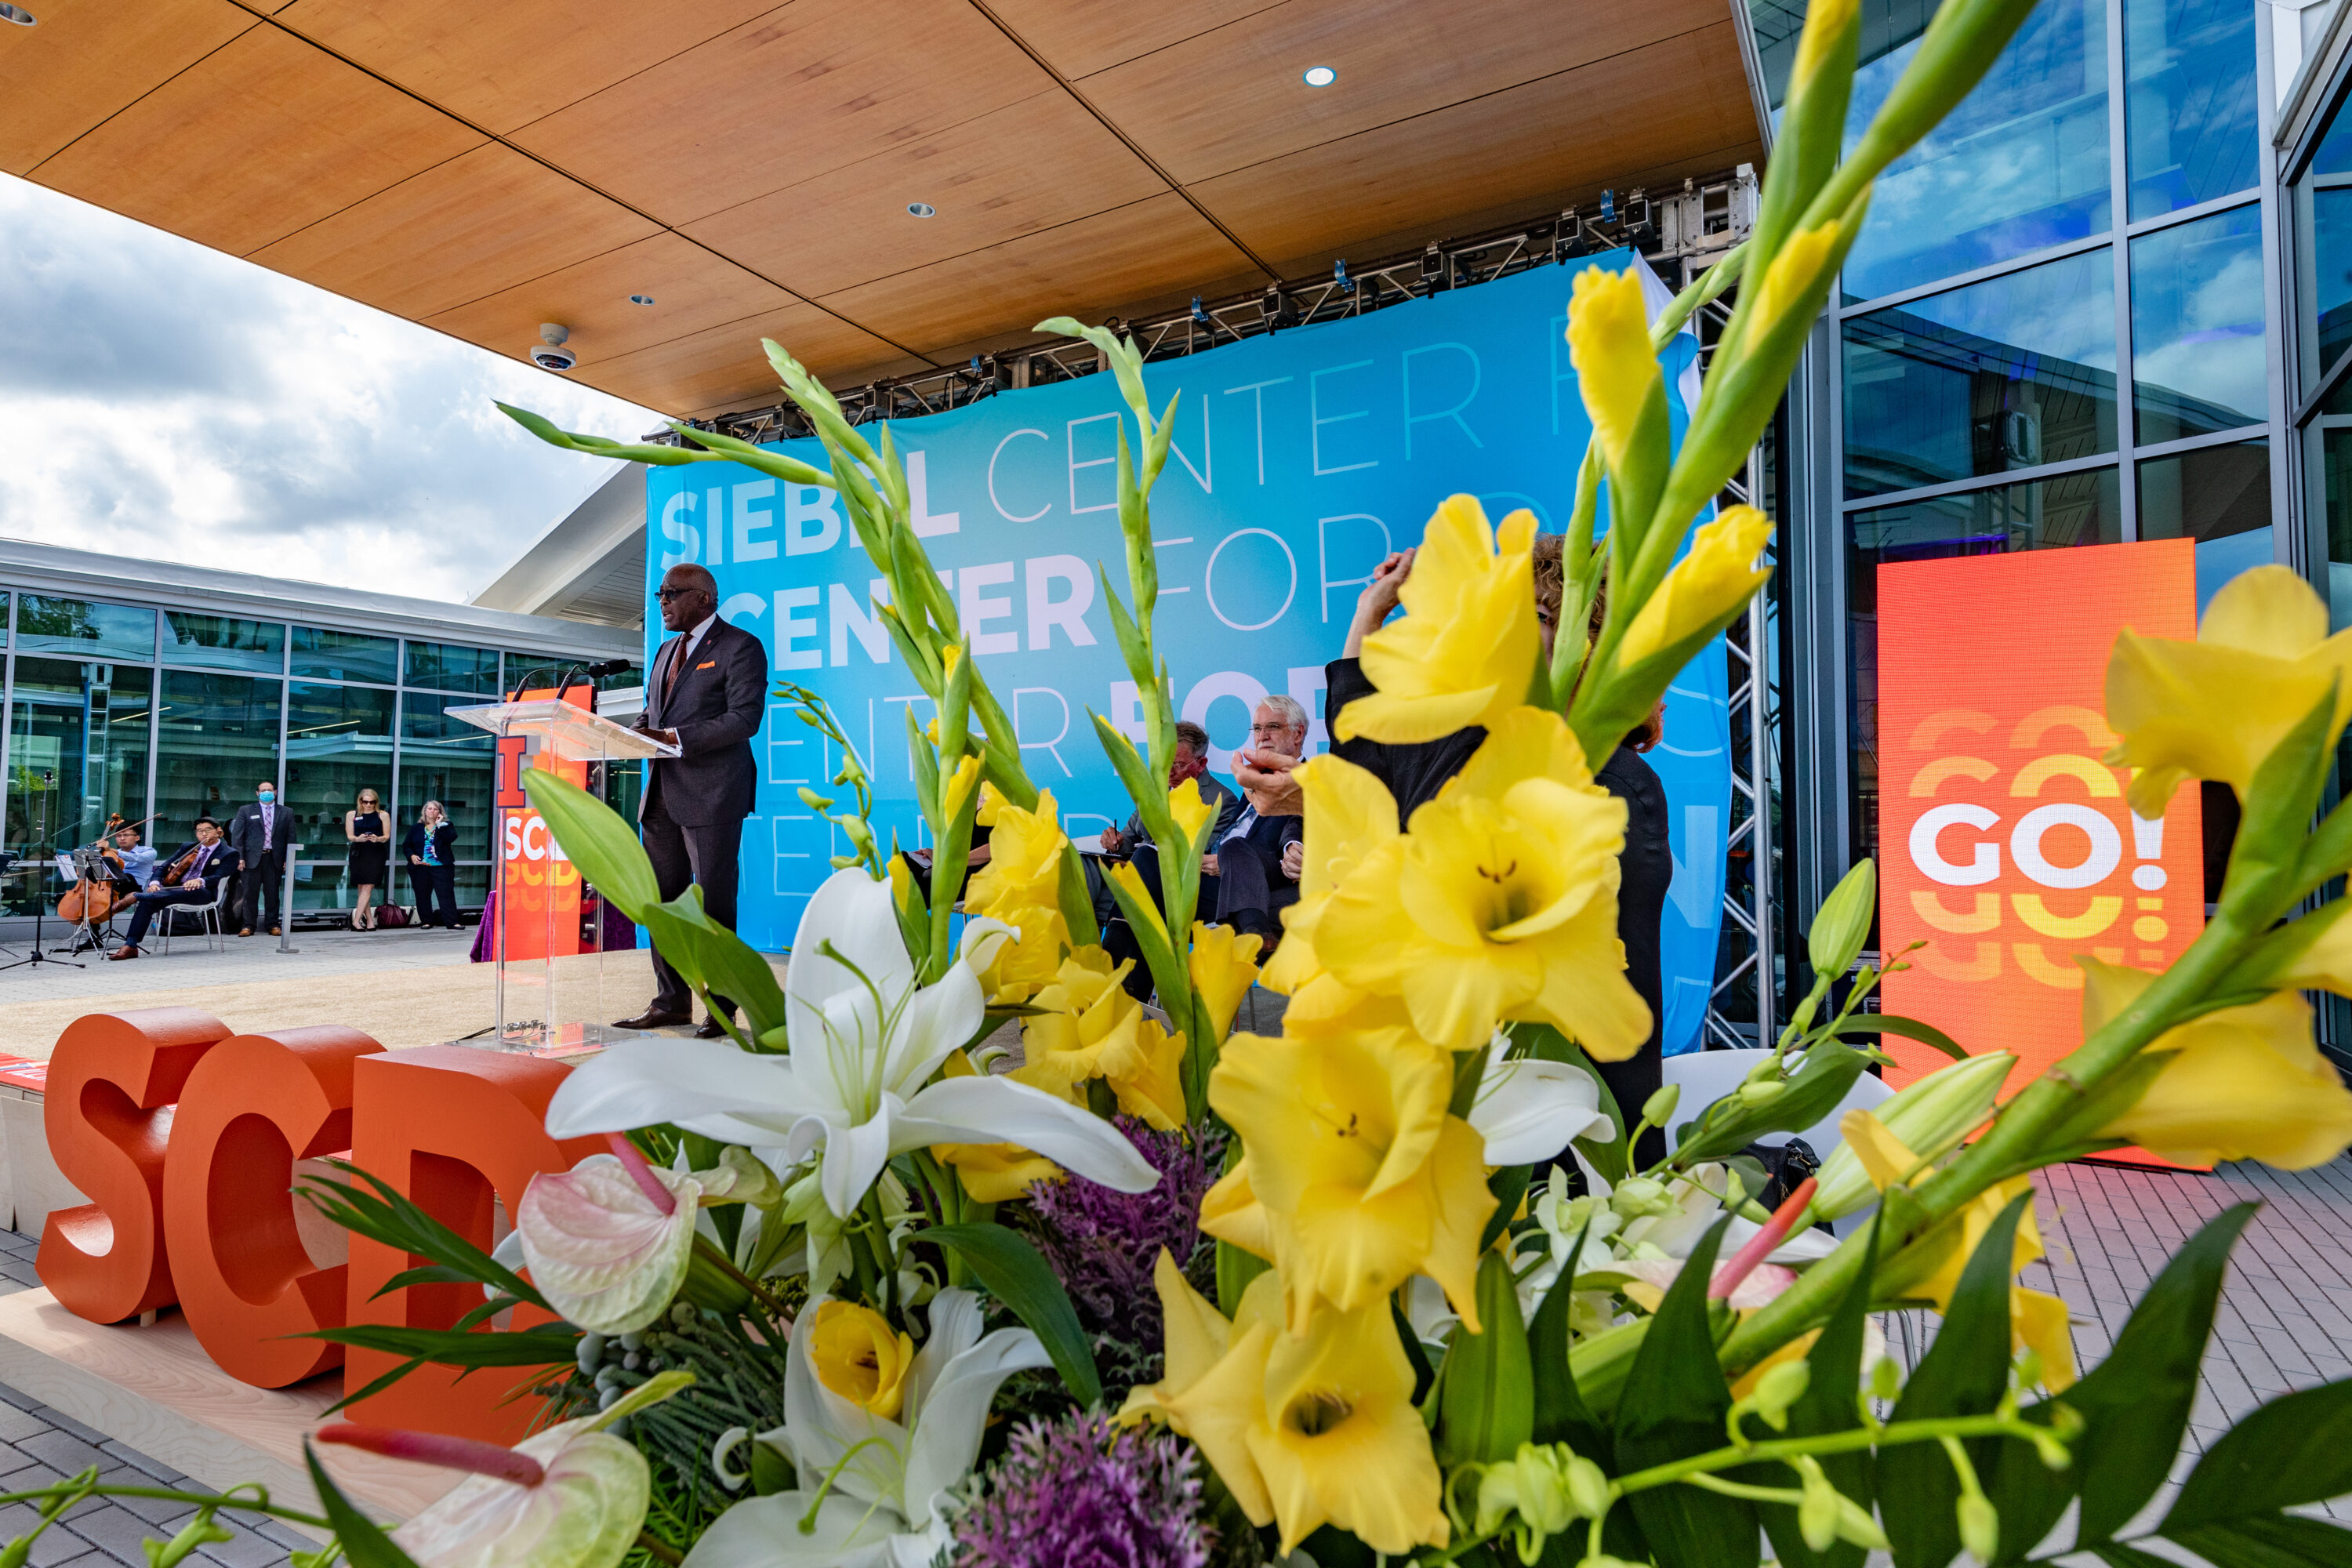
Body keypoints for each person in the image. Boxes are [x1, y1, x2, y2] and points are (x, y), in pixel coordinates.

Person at [1260, 533, 1674, 1164]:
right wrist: (1369, 615)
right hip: (1465, 1090)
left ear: (1592, 645)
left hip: (1568, 1115)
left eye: (1537, 613)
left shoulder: (1615, 783)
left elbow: (1524, 928)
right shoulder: (1469, 741)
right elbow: (1362, 755)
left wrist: (1325, 807)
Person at [619, 562, 768, 1040]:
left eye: (671, 593)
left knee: (712, 905)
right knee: (662, 903)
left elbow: (744, 719)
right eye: (659, 594)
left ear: (704, 598)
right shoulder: (665, 651)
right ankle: (671, 1003)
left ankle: (720, 1008)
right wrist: (635, 733)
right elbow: (654, 712)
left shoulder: (740, 647)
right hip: (661, 792)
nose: (661, 601)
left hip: (713, 794)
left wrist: (673, 736)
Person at [1092, 720, 1243, 1000]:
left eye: (1178, 765)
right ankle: (1126, 995)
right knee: (1095, 871)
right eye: (1164, 763)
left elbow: (1199, 855)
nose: (1169, 772)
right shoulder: (1155, 788)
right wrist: (1114, 838)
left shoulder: (1222, 799)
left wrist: (1143, 857)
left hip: (1189, 891)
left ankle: (1113, 979)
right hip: (1149, 886)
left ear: (1201, 763)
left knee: (1145, 860)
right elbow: (1128, 837)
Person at [1208, 696, 1308, 944]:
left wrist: (1294, 846)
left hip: (1271, 875)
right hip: (1221, 878)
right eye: (1257, 728)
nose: (1262, 735)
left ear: (1298, 735)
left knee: (1234, 848)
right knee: (1149, 868)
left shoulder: (1308, 780)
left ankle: (1254, 932)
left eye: (1272, 727)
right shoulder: (1251, 785)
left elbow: (1298, 823)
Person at [108, 818, 241, 960]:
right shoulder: (188, 847)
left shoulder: (229, 853)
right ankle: (131, 946)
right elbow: (164, 867)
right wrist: (154, 883)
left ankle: (137, 895)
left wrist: (200, 880)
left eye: (208, 830)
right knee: (148, 903)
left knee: (185, 890)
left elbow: (220, 875)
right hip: (172, 891)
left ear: (218, 831)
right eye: (199, 831)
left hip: (203, 892)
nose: (203, 834)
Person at [227, 781, 295, 938]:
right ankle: (248, 926)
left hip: (274, 858)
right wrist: (240, 857)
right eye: (263, 790)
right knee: (250, 894)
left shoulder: (286, 812)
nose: (266, 792)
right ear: (257, 793)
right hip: (251, 858)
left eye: (269, 790)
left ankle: (272, 925)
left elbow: (291, 837)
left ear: (275, 792)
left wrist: (288, 858)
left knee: (272, 894)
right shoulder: (245, 810)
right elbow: (238, 836)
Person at [403, 800, 458, 929]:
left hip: (442, 867)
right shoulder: (416, 828)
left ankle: (452, 922)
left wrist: (440, 825)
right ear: (425, 811)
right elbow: (407, 845)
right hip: (421, 867)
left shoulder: (446, 825)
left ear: (440, 812)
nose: (432, 811)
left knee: (446, 894)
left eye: (435, 809)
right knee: (422, 895)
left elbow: (451, 839)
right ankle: (427, 921)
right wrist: (411, 855)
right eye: (430, 809)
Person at [345, 789, 391, 931]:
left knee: (368, 887)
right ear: (360, 801)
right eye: (365, 802)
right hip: (359, 852)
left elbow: (386, 836)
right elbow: (350, 835)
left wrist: (378, 838)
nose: (369, 805)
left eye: (372, 802)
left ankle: (356, 921)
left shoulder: (383, 815)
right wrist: (358, 839)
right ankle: (370, 922)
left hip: (376, 852)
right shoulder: (352, 814)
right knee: (362, 889)